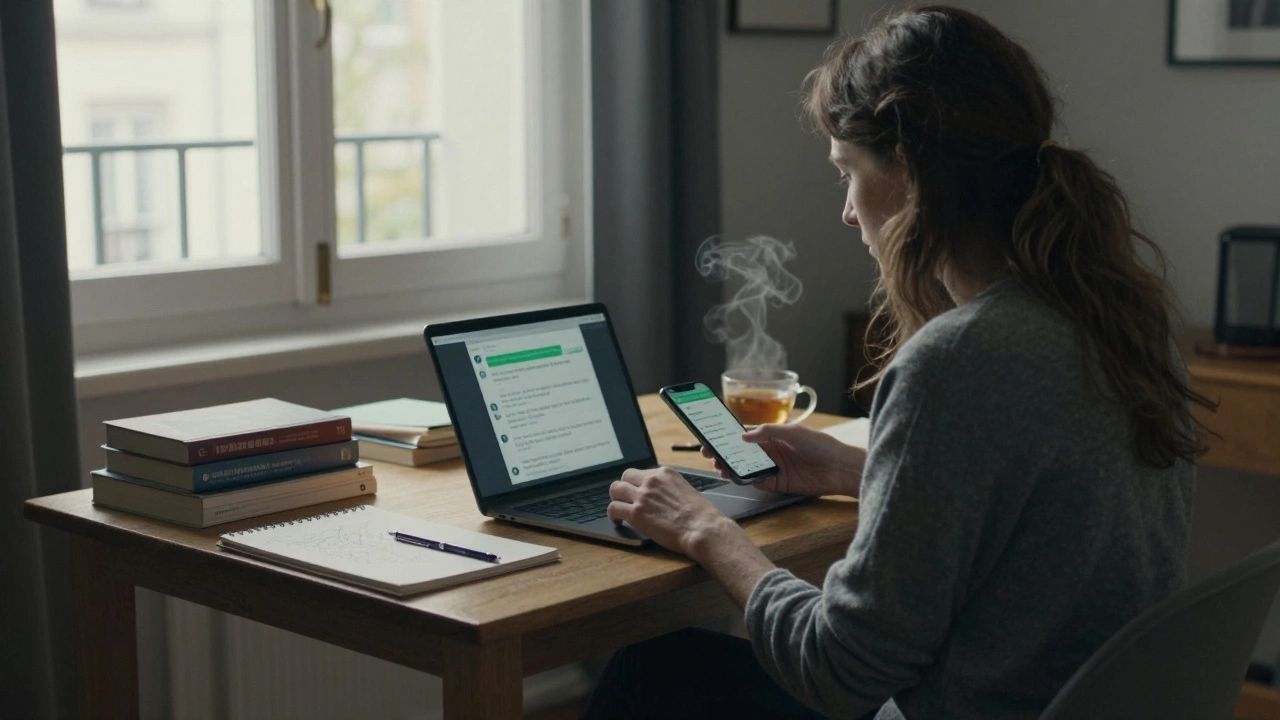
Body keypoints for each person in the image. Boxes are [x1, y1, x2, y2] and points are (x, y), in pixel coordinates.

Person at [581, 5, 1214, 720]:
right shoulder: (1123, 318)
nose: (849, 213)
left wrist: (705, 530)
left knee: (648, 669)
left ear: (907, 171)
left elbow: (839, 671)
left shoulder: (957, 360)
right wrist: (857, 472)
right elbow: (1042, 510)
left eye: (848, 170)